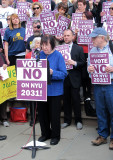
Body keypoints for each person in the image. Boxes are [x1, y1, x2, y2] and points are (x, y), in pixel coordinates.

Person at [37, 35, 67, 145]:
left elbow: (64, 74)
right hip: (41, 91)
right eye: (42, 45)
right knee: (42, 115)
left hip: (55, 91)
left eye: (46, 45)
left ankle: (55, 136)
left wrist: (52, 73)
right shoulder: (39, 55)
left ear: (52, 45)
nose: (44, 47)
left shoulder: (58, 56)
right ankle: (45, 134)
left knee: (54, 115)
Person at [88, 27, 113, 150]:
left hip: (111, 84)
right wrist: (90, 70)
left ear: (102, 38)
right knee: (100, 111)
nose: (91, 39)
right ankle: (102, 135)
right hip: (98, 84)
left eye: (94, 37)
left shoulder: (112, 48)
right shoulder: (92, 50)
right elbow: (89, 68)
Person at [61, 29, 85, 130]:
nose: (66, 37)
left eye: (68, 35)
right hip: (64, 78)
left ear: (72, 37)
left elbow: (83, 62)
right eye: (65, 35)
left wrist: (74, 63)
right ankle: (67, 121)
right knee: (66, 101)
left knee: (76, 100)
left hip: (74, 78)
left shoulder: (78, 48)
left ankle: (78, 120)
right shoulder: (59, 49)